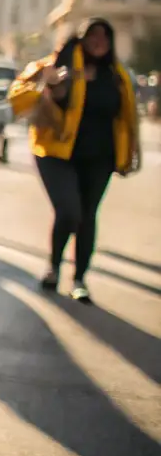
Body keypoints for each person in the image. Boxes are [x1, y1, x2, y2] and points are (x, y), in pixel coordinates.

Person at [7, 18, 140, 302]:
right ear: (81, 38)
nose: (99, 41)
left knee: (87, 216)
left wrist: (129, 154)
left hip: (99, 158)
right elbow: (16, 95)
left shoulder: (117, 75)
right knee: (69, 211)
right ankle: (54, 267)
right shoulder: (55, 64)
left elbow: (127, 118)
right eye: (93, 35)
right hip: (55, 153)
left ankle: (79, 279)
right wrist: (48, 83)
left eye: (105, 36)